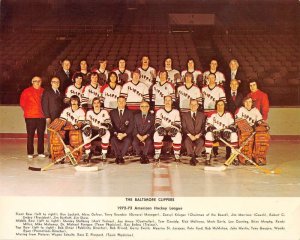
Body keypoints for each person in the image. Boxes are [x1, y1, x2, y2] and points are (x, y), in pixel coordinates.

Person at [48, 95, 86, 163]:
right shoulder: (66, 110)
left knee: (75, 136)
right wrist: (61, 125)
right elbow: (62, 120)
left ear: (78, 102)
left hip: (75, 129)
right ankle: (59, 157)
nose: (74, 102)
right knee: (56, 136)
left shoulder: (81, 111)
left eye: (75, 100)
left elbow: (80, 123)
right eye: (72, 100)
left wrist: (74, 126)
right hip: (65, 128)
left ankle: (74, 157)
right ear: (70, 102)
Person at [235, 96, 270, 165]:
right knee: (246, 136)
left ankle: (259, 157)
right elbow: (238, 121)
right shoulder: (241, 109)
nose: (248, 103)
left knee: (262, 136)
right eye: (246, 102)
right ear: (243, 103)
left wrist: (262, 125)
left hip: (254, 130)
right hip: (244, 129)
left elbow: (260, 120)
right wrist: (248, 127)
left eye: (250, 102)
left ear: (252, 103)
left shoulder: (255, 110)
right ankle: (246, 157)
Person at [204, 100, 238, 166]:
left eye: (221, 105)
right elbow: (207, 125)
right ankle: (208, 156)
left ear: (224, 106)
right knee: (208, 134)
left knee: (234, 135)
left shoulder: (228, 114)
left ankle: (234, 156)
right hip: (215, 134)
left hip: (225, 134)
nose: (220, 106)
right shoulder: (212, 114)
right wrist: (213, 129)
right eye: (218, 105)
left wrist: (229, 129)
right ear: (216, 106)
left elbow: (233, 125)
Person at [20, 76, 46, 158]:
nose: (37, 82)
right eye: (35, 81)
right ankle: (30, 153)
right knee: (30, 135)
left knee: (41, 135)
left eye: (39, 81)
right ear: (32, 82)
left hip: (41, 117)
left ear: (41, 82)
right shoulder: (26, 91)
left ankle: (41, 152)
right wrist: (29, 111)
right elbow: (22, 104)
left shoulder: (44, 91)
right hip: (30, 117)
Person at [153, 95, 182, 162]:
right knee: (156, 135)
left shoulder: (176, 111)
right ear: (163, 101)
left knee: (178, 135)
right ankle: (157, 153)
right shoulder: (160, 111)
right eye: (166, 100)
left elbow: (178, 123)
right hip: (162, 129)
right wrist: (161, 128)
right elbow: (157, 122)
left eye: (169, 100)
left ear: (172, 102)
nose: (167, 102)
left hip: (172, 129)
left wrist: (173, 129)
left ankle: (177, 154)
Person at [41, 77, 64, 155]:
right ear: (51, 83)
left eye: (58, 82)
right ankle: (50, 151)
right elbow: (44, 105)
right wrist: (47, 116)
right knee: (50, 135)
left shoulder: (60, 92)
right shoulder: (47, 92)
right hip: (51, 117)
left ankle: (58, 150)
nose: (56, 83)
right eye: (54, 82)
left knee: (59, 134)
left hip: (59, 117)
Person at [84, 97, 112, 162]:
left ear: (100, 104)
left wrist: (103, 127)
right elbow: (87, 122)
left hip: (101, 129)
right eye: (94, 103)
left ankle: (104, 153)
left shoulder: (104, 112)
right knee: (85, 134)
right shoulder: (89, 112)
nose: (96, 104)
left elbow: (109, 123)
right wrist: (87, 128)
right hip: (92, 129)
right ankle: (88, 153)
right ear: (92, 105)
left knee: (107, 134)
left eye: (98, 103)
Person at [109, 96, 134, 164]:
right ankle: (118, 157)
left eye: (123, 101)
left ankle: (121, 157)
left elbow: (131, 126)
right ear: (117, 103)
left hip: (126, 134)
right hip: (116, 133)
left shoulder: (130, 112)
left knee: (128, 140)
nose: (121, 103)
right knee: (113, 140)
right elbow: (111, 125)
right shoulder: (112, 112)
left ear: (125, 103)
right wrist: (116, 133)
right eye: (119, 101)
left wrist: (124, 134)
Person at [181, 99, 206, 166]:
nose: (193, 106)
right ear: (189, 105)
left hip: (198, 136)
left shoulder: (202, 115)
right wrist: (190, 135)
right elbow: (184, 127)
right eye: (191, 104)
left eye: (195, 104)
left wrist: (199, 134)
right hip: (189, 136)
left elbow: (203, 128)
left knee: (201, 141)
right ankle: (192, 156)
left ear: (197, 106)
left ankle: (194, 157)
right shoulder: (184, 115)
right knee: (187, 141)